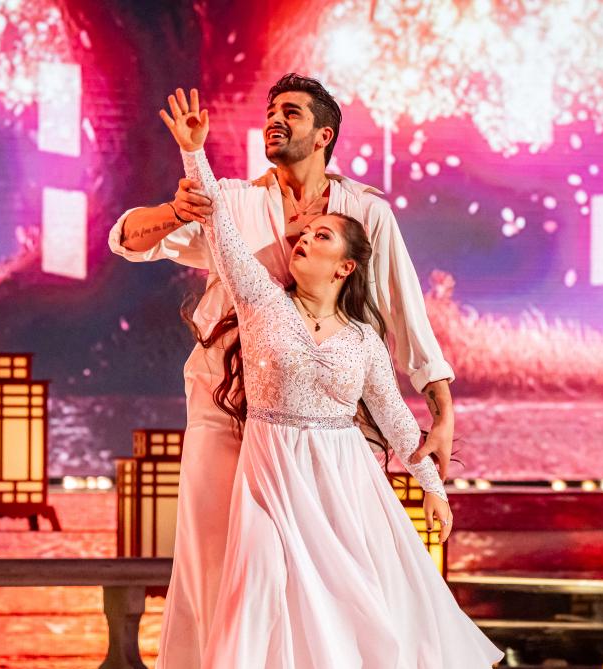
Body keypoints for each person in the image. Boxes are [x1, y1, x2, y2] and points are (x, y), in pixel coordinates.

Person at [109, 75, 459, 667]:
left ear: (324, 135)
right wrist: (175, 208)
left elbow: (407, 313)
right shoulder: (236, 201)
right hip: (224, 405)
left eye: (291, 112)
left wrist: (442, 412)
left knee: (333, 570)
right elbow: (128, 239)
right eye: (270, 110)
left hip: (323, 418)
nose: (275, 119)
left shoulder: (365, 212)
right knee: (223, 565)